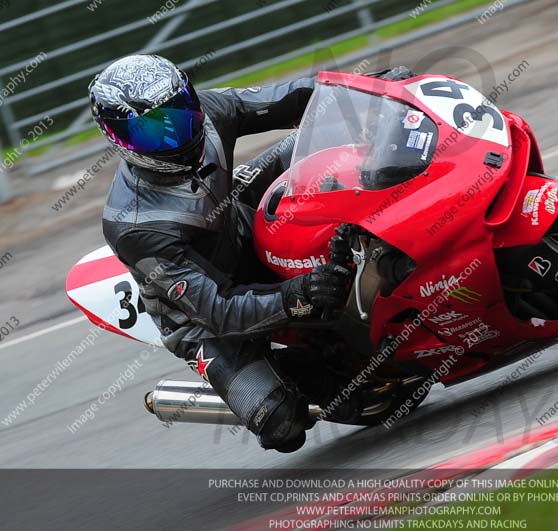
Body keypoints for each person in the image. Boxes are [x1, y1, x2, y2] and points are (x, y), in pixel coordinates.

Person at [91, 54, 368, 452]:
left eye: (179, 112)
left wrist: (370, 92)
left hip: (234, 217)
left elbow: (294, 98)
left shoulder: (208, 112)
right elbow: (218, 310)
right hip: (202, 319)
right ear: (118, 138)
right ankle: (288, 380)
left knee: (313, 145)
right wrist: (299, 296)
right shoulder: (135, 226)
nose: (174, 133)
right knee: (281, 425)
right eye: (151, 128)